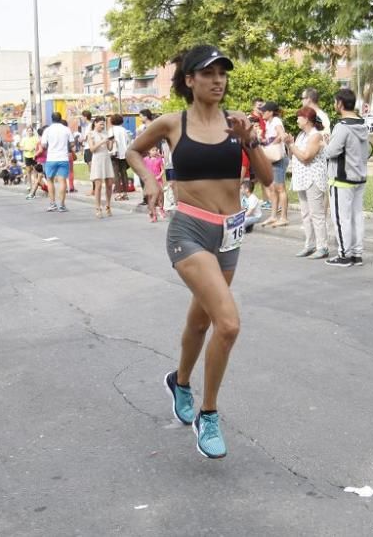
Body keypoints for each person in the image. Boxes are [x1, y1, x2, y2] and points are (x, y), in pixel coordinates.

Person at [125, 44, 272, 460]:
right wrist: (149, 182)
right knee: (227, 324)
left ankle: (180, 381)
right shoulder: (173, 123)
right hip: (188, 231)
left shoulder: (237, 125)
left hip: (229, 235)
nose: (218, 80)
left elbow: (266, 180)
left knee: (201, 318)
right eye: (208, 73)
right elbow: (134, 151)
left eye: (222, 73)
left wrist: (251, 142)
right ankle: (208, 414)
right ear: (189, 80)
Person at [324, 88, 370, 267]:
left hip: (341, 179)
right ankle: (357, 254)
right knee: (356, 216)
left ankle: (344, 255)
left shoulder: (342, 127)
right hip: (359, 177)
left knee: (342, 218)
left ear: (340, 103)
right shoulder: (362, 125)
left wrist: (325, 143)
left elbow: (331, 152)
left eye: (336, 102)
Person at [284, 106, 329, 258]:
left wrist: (291, 144)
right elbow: (294, 155)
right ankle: (309, 245)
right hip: (302, 178)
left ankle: (322, 246)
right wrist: (289, 144)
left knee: (316, 214)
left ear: (307, 119)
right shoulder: (301, 135)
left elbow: (306, 157)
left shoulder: (315, 136)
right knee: (305, 214)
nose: (297, 120)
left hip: (313, 178)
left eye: (299, 117)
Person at [259, 102, 289, 227]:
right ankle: (273, 216)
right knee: (272, 189)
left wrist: (272, 143)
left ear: (271, 112)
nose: (262, 113)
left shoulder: (276, 121)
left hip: (278, 159)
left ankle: (284, 217)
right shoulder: (268, 123)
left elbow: (282, 135)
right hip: (272, 159)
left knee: (280, 188)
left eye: (264, 111)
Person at [41, 112, 74, 212]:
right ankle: (62, 205)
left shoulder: (47, 130)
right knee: (62, 181)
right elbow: (72, 143)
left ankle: (52, 204)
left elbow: (43, 145)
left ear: (52, 119)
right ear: (60, 119)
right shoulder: (66, 129)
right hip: (63, 157)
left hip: (51, 158)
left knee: (50, 180)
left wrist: (49, 147)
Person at [87, 116, 115, 218]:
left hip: (106, 159)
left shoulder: (105, 133)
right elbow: (92, 149)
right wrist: (103, 141)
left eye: (104, 124)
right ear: (95, 123)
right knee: (98, 185)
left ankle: (108, 205)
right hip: (97, 159)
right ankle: (98, 208)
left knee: (109, 184)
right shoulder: (91, 134)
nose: (102, 126)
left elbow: (110, 148)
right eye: (100, 124)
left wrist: (111, 141)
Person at [110, 115, 131, 199]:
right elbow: (128, 142)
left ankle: (118, 193)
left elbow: (110, 142)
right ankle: (125, 193)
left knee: (116, 174)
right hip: (124, 154)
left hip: (114, 154)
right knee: (123, 173)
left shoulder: (111, 130)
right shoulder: (124, 130)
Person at [19, 126, 40, 190]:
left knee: (35, 170)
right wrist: (26, 149)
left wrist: (34, 148)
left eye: (31, 131)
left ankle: (35, 184)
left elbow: (38, 145)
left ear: (32, 131)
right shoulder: (24, 139)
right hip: (27, 156)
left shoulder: (36, 138)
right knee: (28, 171)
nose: (29, 132)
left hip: (34, 156)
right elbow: (21, 147)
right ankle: (29, 185)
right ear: (27, 132)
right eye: (28, 131)